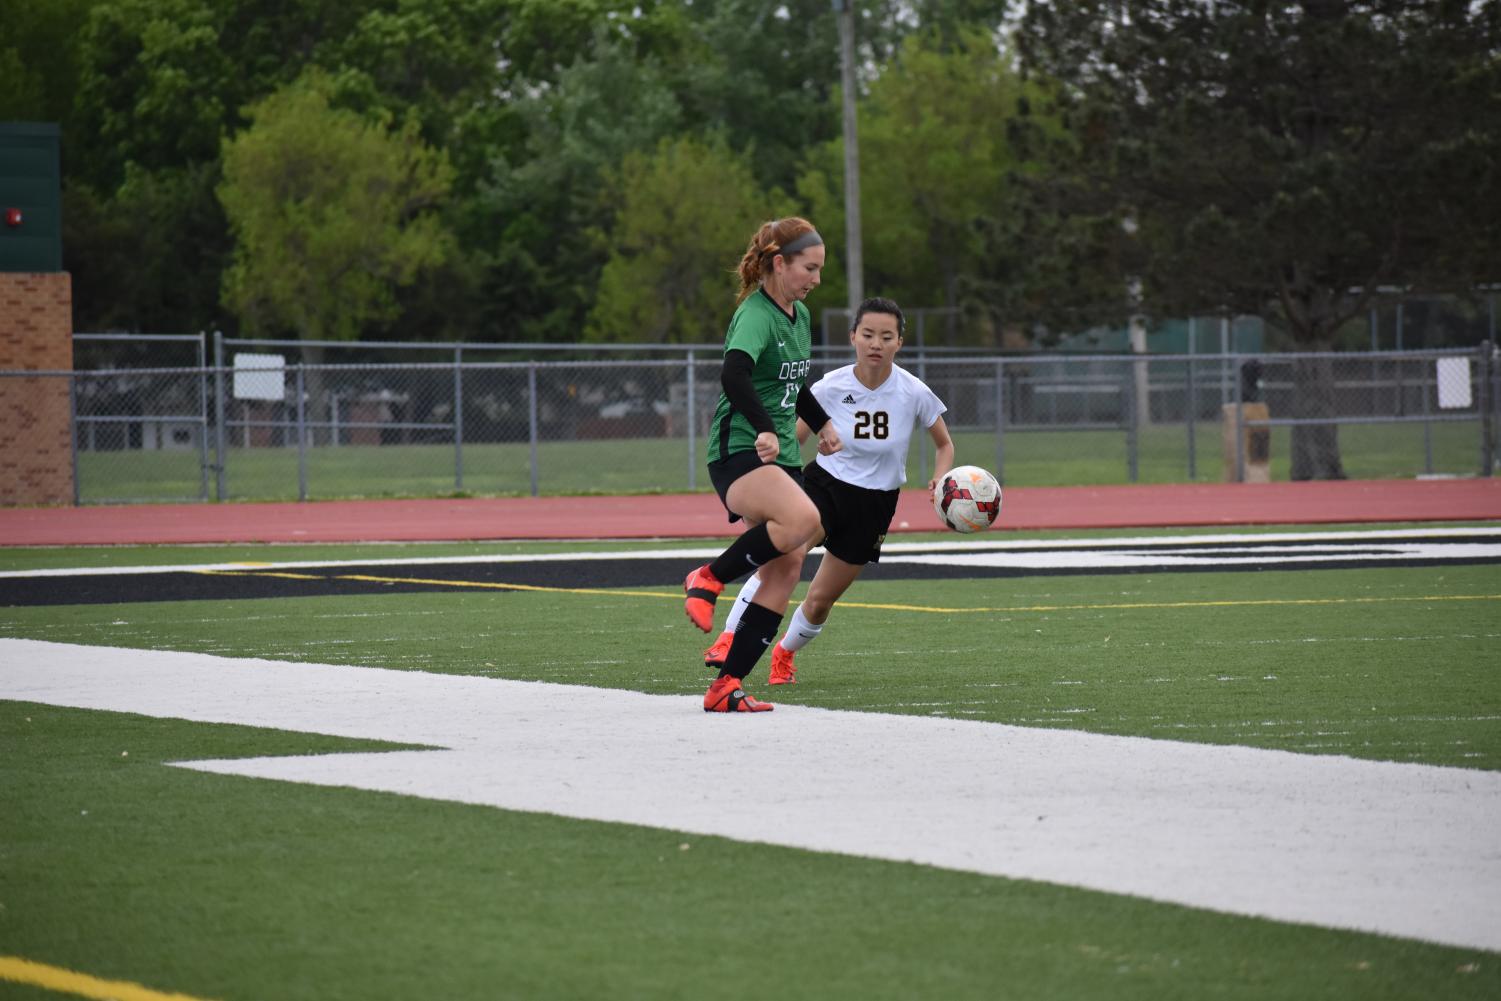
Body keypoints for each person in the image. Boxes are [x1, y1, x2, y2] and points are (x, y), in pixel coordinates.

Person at [704, 296, 953, 685]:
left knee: (820, 602)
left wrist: (940, 477)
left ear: (899, 343)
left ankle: (784, 651)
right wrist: (772, 467)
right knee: (786, 553)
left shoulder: (914, 391)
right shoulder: (831, 385)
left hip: (875, 503)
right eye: (867, 334)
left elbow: (944, 445)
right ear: (853, 336)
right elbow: (793, 437)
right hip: (825, 485)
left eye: (886, 336)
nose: (876, 343)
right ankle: (728, 638)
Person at [684, 217, 842, 713]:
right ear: (779, 263)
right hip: (739, 450)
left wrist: (820, 424)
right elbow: (735, 373)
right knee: (805, 522)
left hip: (782, 457)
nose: (815, 278)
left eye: (819, 269)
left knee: (788, 565)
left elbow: (794, 384)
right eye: (808, 268)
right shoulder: (756, 312)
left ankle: (726, 686)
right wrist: (764, 428)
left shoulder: (798, 315)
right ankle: (709, 576)